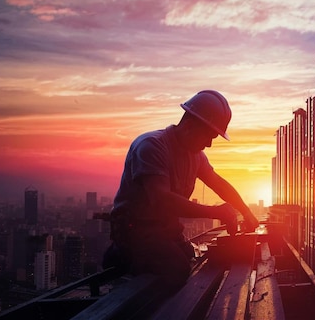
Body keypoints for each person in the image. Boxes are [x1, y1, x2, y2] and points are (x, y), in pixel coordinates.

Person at [102, 90, 259, 289]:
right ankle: (123, 256)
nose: (209, 144)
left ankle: (134, 258)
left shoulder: (195, 155)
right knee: (176, 268)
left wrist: (245, 211)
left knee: (188, 256)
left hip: (164, 229)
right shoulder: (152, 146)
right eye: (208, 136)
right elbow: (162, 200)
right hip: (135, 230)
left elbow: (218, 184)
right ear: (191, 124)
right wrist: (215, 211)